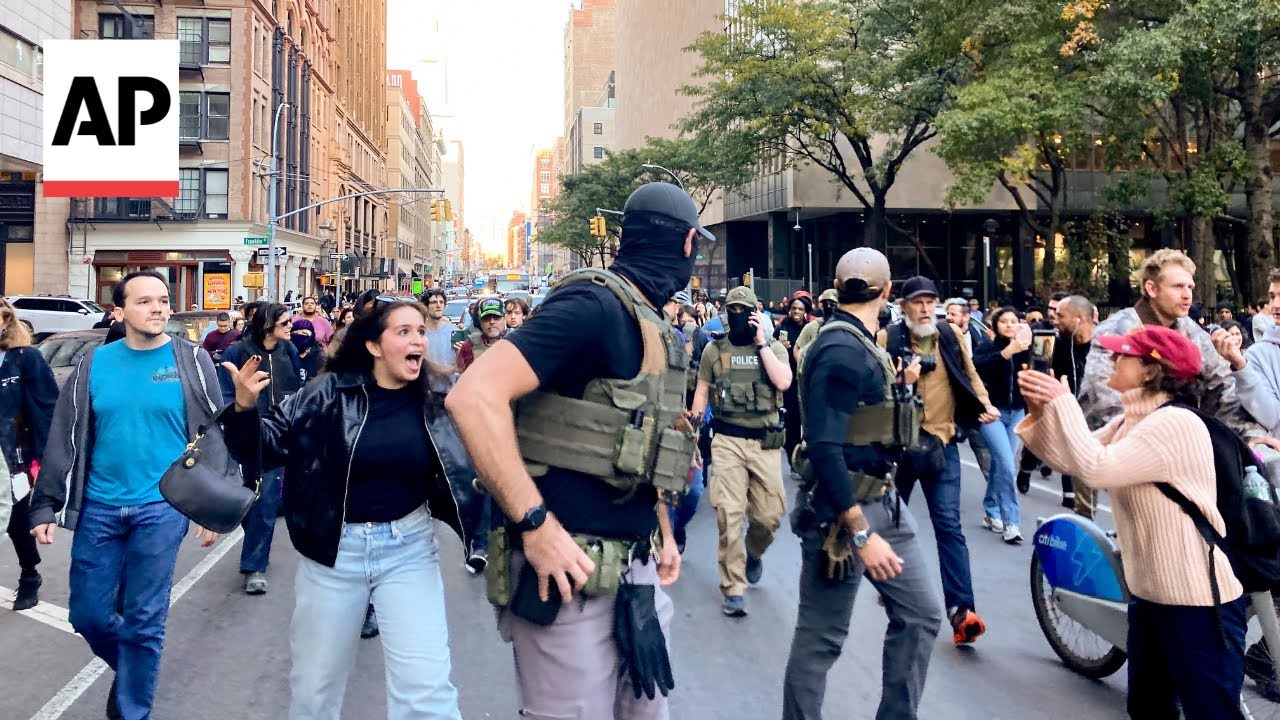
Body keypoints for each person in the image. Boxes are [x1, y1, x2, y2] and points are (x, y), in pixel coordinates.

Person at [445, 181, 695, 719]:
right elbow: (473, 396)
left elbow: (638, 444)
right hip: (567, 581)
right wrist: (535, 526)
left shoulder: (650, 323)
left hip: (636, 574)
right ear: (688, 245)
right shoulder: (593, 305)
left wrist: (663, 534)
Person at [220, 299, 478, 720]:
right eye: (404, 331)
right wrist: (245, 409)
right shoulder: (327, 393)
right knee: (314, 691)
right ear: (375, 345)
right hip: (334, 551)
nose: (418, 340)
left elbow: (480, 459)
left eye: (420, 331)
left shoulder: (439, 395)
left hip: (409, 547)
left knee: (426, 691)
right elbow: (266, 447)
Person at [1018, 325, 1246, 719]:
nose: (1111, 358)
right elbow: (1072, 460)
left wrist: (1064, 402)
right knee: (1148, 708)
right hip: (1151, 595)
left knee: (1210, 711)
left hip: (1197, 600)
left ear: (1150, 370)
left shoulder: (1174, 424)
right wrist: (1043, 412)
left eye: (1122, 354)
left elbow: (1095, 468)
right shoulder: (1131, 421)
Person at [27, 270, 226, 720]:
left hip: (162, 505)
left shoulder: (192, 360)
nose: (158, 308)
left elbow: (212, 433)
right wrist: (45, 502)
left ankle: (132, 710)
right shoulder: (93, 365)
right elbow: (65, 437)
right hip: (99, 506)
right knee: (88, 616)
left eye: (163, 300)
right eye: (144, 301)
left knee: (144, 618)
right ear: (118, 311)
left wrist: (211, 509)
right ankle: (137, 668)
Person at [782, 248, 941, 720]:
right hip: (842, 512)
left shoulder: (865, 342)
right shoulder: (839, 349)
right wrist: (860, 531)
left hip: (885, 500)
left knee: (921, 616)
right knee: (821, 639)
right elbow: (825, 446)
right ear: (888, 291)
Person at [1078, 249, 1272, 513]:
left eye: (1190, 286)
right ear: (1151, 288)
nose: (1187, 294)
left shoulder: (1192, 332)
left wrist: (1253, 438)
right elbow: (1102, 400)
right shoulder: (1116, 330)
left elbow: (1222, 389)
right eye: (1178, 286)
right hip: (1132, 455)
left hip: (1186, 454)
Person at [879, 276, 997, 645]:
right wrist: (903, 378)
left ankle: (962, 612)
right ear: (903, 306)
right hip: (900, 449)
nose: (926, 308)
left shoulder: (950, 334)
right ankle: (893, 592)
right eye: (918, 302)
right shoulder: (889, 339)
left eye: (931, 301)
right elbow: (878, 391)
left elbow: (969, 373)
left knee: (949, 527)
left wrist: (985, 404)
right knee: (891, 524)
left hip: (941, 443)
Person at [690, 285, 792, 617]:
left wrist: (761, 343)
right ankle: (733, 587)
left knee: (769, 516)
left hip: (765, 441)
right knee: (728, 515)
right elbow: (702, 388)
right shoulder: (714, 350)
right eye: (731, 310)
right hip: (727, 440)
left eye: (743, 311)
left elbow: (784, 382)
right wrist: (693, 429)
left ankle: (754, 553)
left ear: (755, 315)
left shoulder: (774, 347)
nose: (736, 317)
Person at [218, 303, 304, 595]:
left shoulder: (288, 351)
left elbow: (297, 388)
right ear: (268, 326)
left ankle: (254, 567)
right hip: (243, 437)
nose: (290, 327)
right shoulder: (236, 352)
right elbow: (224, 397)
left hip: (278, 437)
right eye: (284, 323)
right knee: (244, 502)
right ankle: (254, 538)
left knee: (267, 500)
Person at [0, 298, 58, 611]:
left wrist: (45, 460)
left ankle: (28, 573)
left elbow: (47, 409)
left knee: (16, 523)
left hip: (15, 457)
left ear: (6, 320)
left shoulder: (25, 359)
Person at [972, 308, 1030, 544]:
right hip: (990, 413)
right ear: (995, 326)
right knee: (1006, 463)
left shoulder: (1025, 349)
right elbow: (978, 368)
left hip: (1016, 411)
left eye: (1013, 321)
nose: (1009, 325)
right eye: (1003, 321)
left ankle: (991, 508)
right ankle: (1011, 523)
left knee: (1002, 463)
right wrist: (1008, 352)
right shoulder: (988, 346)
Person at [1042, 295, 1097, 511]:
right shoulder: (1054, 344)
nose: (1055, 319)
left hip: (1105, 424)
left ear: (1079, 319)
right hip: (1072, 422)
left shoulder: (1105, 346)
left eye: (1061, 316)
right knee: (1082, 489)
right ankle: (1084, 525)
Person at [776, 295, 812, 459]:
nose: (796, 311)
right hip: (787, 377)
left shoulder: (810, 328)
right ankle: (793, 455)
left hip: (805, 378)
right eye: (793, 308)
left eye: (800, 309)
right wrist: (780, 346)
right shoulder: (783, 326)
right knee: (792, 419)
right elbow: (770, 347)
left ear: (806, 312)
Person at [420, 289, 460, 395]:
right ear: (426, 307)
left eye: (441, 302)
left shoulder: (455, 333)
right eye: (434, 302)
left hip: (449, 393)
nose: (438, 305)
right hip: (424, 394)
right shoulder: (419, 334)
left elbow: (463, 364)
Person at [455, 298, 505, 373]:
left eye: (496, 317)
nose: (491, 322)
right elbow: (459, 374)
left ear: (504, 319)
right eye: (486, 318)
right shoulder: (469, 346)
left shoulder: (517, 343)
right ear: (480, 321)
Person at [793, 288, 837, 368]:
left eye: (832, 304)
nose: (829, 306)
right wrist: (803, 369)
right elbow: (797, 348)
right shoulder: (813, 326)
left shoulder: (846, 326)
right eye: (825, 303)